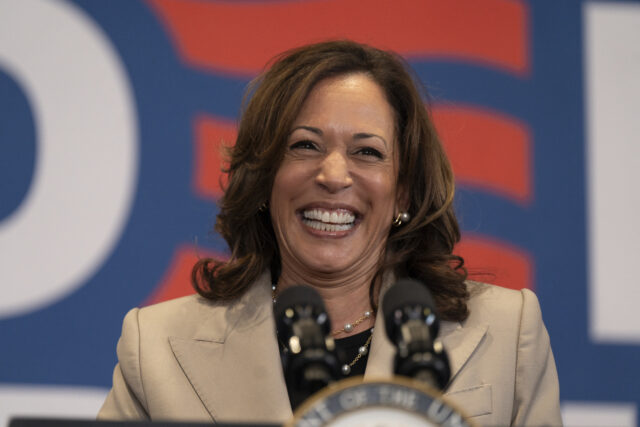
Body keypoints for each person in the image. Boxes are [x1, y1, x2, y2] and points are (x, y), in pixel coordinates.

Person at [98, 40, 561, 425]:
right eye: (305, 145)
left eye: (367, 152)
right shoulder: (156, 346)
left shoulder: (507, 333)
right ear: (263, 180)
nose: (334, 174)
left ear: (403, 192)